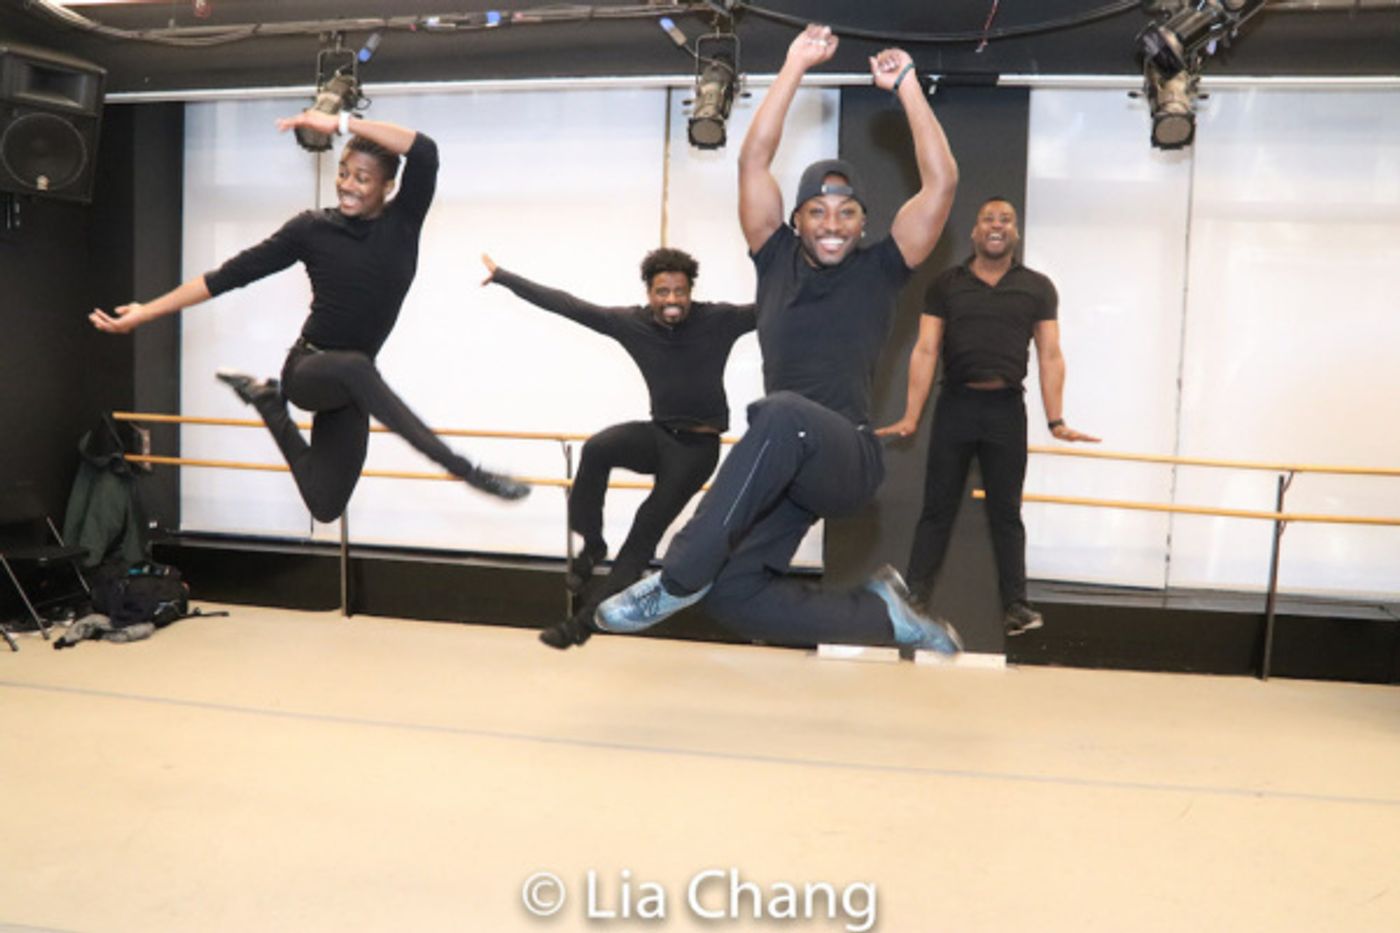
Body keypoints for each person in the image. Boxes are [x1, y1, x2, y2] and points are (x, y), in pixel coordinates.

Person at [596, 25, 961, 654]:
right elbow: (753, 162)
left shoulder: (884, 267)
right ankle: (885, 618)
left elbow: (941, 185)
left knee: (781, 413)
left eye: (847, 213)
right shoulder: (774, 256)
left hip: (847, 455)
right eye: (817, 211)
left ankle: (675, 579)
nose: (832, 224)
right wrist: (793, 65)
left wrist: (907, 88)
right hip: (786, 464)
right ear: (796, 220)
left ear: (864, 223)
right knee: (735, 595)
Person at [91, 109, 529, 523]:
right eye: (343, 173)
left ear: (388, 186)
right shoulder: (312, 229)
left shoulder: (404, 222)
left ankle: (267, 403)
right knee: (355, 367)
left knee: (325, 504)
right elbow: (225, 277)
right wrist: (146, 311)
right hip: (309, 368)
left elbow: (425, 150)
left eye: (362, 178)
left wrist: (340, 121)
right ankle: (469, 472)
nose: (348, 185)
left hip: (352, 383)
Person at [480, 249, 755, 649]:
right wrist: (505, 277)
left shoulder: (719, 320)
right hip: (659, 435)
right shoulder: (632, 323)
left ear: (691, 291)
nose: (672, 300)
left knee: (644, 531)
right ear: (649, 293)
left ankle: (581, 625)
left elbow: (775, 307)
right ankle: (593, 544)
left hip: (696, 451)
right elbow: (570, 306)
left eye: (680, 291)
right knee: (598, 449)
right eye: (663, 292)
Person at [878, 196, 1099, 636]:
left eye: (1006, 219)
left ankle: (1016, 606)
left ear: (1015, 232)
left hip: (1006, 411)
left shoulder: (1037, 287)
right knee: (937, 508)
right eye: (988, 219)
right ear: (975, 231)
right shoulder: (946, 284)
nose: (997, 225)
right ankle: (914, 598)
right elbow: (926, 349)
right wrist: (910, 415)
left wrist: (1056, 421)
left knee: (1007, 512)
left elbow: (1051, 354)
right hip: (956, 406)